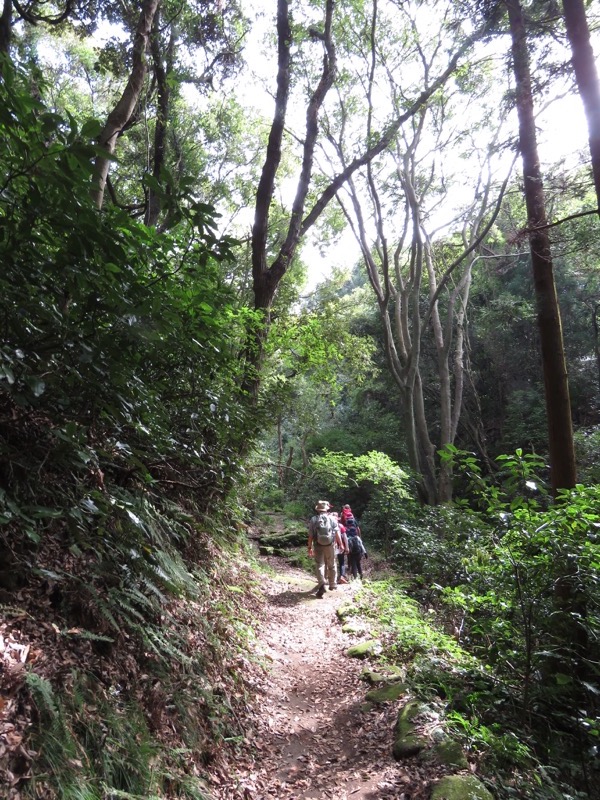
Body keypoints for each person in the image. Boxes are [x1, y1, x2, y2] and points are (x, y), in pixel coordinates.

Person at [308, 500, 343, 598]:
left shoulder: (314, 519)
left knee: (320, 564)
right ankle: (332, 584)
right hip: (330, 544)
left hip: (318, 544)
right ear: (327, 509)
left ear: (318, 510)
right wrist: (341, 544)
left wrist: (309, 547)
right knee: (331, 563)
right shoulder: (332, 519)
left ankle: (322, 582)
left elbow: (310, 535)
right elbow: (337, 533)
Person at [331, 511, 348, 584]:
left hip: (331, 546)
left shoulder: (329, 525)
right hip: (340, 547)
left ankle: (331, 578)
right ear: (338, 518)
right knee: (341, 563)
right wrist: (346, 547)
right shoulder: (340, 526)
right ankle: (342, 577)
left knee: (331, 562)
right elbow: (345, 537)